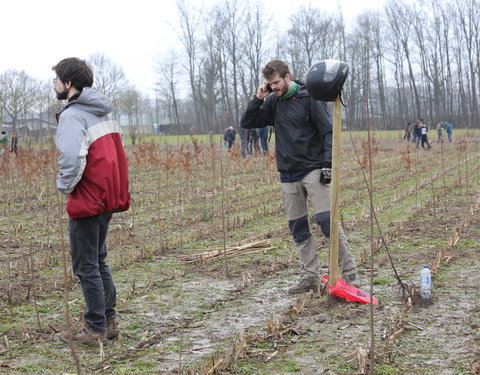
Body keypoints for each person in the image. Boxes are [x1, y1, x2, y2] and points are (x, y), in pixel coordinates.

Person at [240, 59, 360, 294]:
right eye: (269, 84)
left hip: (314, 169)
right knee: (298, 228)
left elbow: (328, 131)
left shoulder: (309, 98)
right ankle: (309, 277)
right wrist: (258, 98)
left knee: (327, 221)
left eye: (276, 82)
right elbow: (248, 122)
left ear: (287, 77)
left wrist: (327, 165)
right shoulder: (272, 102)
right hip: (288, 173)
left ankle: (350, 273)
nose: (273, 87)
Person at [53, 57, 131, 345]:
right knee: (98, 260)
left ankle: (95, 326)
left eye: (57, 79)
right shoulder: (103, 112)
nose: (55, 84)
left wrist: (64, 186)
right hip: (107, 196)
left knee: (86, 265)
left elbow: (72, 159)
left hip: (87, 198)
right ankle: (108, 320)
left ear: (68, 83)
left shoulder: (73, 115)